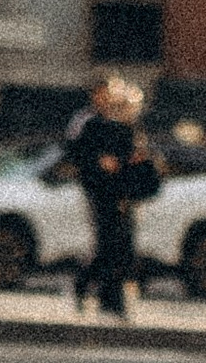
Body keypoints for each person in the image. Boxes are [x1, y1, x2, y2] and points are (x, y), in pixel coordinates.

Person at [59, 80, 159, 318]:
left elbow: (134, 163)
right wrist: (100, 163)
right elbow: (78, 153)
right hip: (102, 192)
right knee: (110, 244)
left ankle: (105, 296)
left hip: (122, 195)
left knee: (118, 246)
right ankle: (100, 294)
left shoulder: (129, 131)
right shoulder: (93, 123)